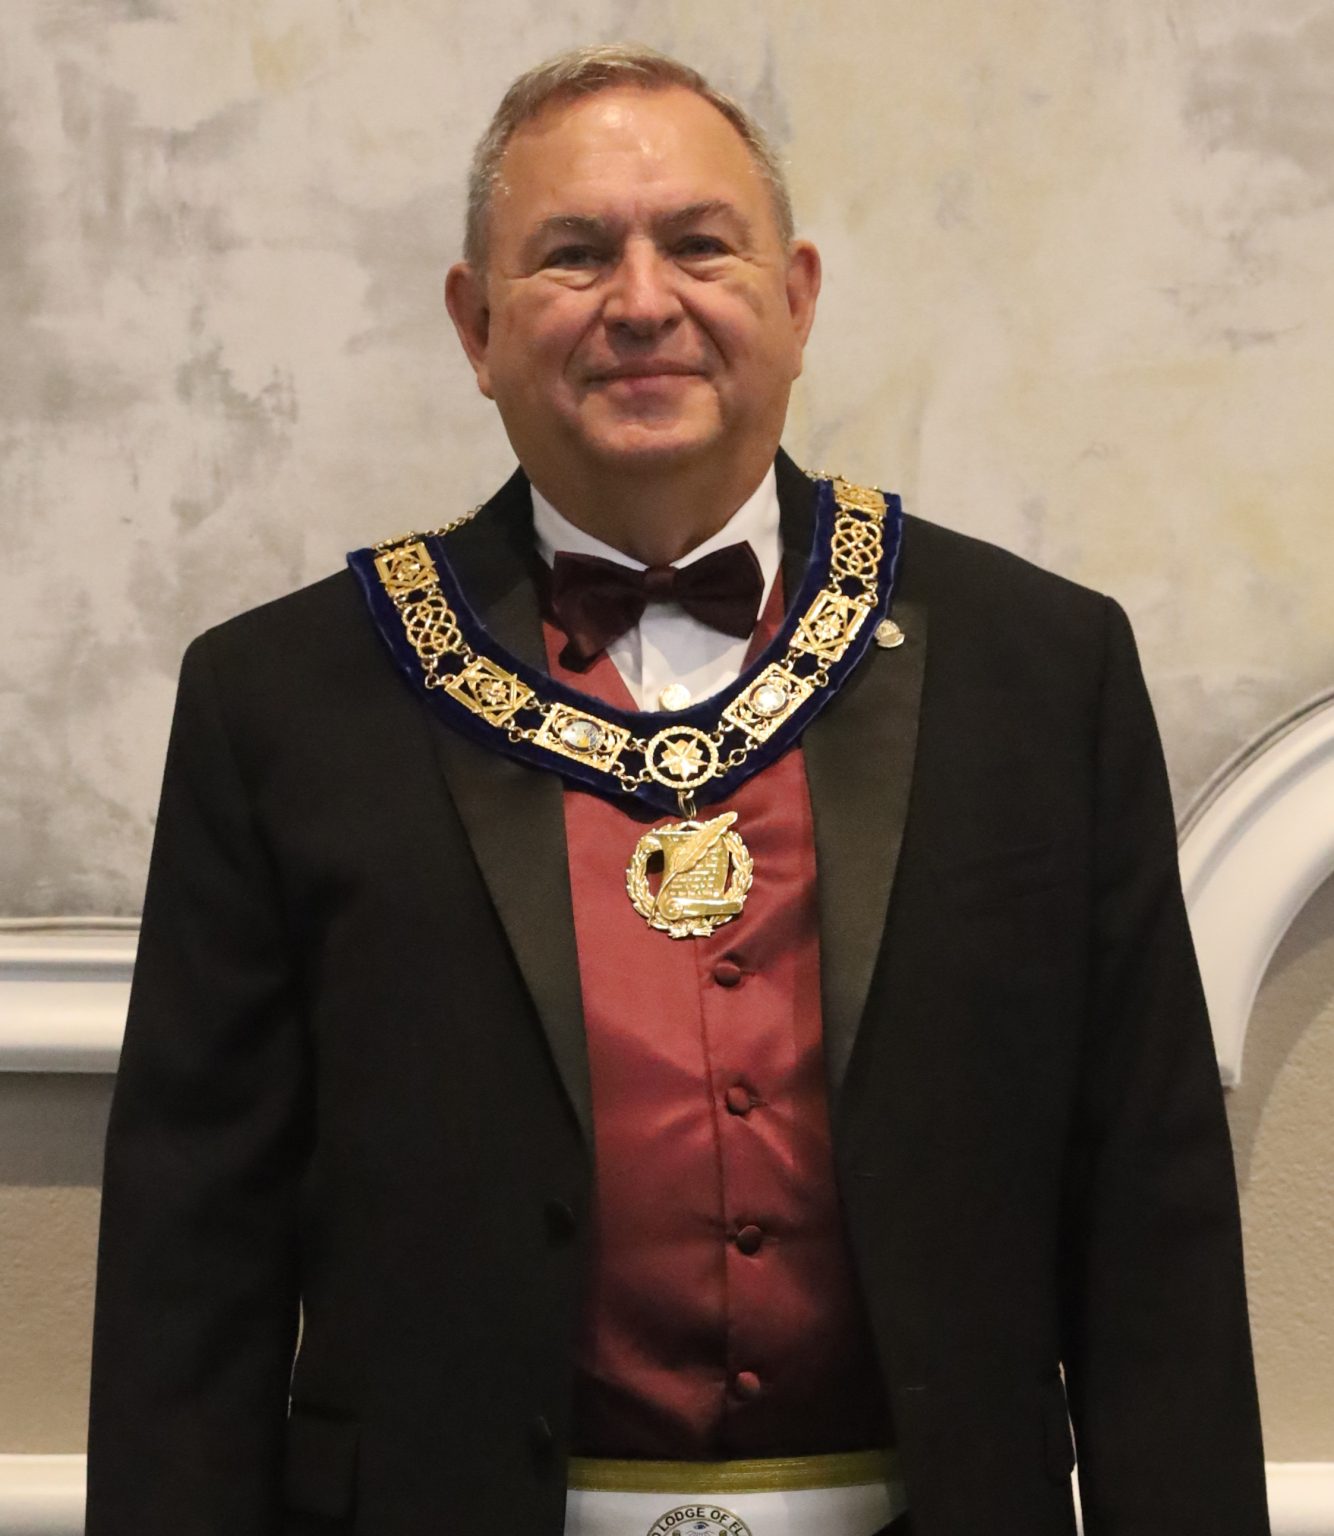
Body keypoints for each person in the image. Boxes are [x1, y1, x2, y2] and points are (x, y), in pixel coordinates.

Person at [86, 42, 1270, 1536]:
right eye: (573, 255)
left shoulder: (1040, 672)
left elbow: (1150, 1222)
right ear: (475, 324)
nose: (642, 302)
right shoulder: (283, 701)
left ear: (798, 298)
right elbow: (194, 1271)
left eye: (701, 245)